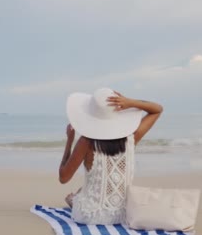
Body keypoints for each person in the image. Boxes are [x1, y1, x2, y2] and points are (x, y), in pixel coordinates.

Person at [59, 88, 163, 225]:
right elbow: (157, 109)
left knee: (81, 191)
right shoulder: (131, 138)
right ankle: (77, 198)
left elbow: (63, 177)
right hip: (124, 215)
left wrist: (69, 141)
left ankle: (74, 200)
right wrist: (130, 102)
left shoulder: (86, 142)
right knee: (89, 188)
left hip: (91, 217)